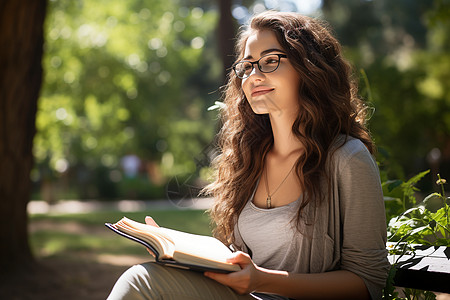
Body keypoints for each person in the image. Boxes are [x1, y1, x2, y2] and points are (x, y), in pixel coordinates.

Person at [107, 11, 390, 300]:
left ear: (308, 67)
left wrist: (263, 281)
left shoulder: (347, 158)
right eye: (247, 66)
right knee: (142, 279)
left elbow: (368, 281)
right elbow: (243, 266)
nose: (254, 76)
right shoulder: (249, 159)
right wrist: (179, 253)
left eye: (270, 61)